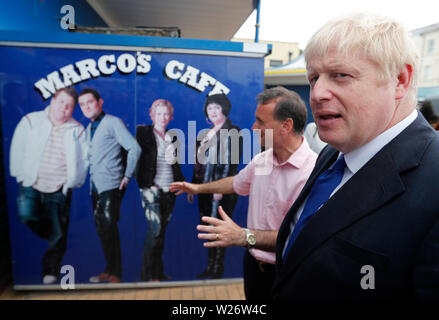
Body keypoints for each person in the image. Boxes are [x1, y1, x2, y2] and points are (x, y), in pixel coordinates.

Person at [272, 13, 439, 299]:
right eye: (314, 78)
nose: (317, 93)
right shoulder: (332, 154)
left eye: (340, 75)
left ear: (399, 79)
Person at [170, 87, 317, 299]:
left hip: (288, 273)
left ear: (286, 126)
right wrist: (198, 188)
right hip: (253, 268)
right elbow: (237, 183)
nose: (253, 127)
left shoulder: (311, 173)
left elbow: (296, 238)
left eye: (261, 122)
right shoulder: (262, 160)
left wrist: (243, 235)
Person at [9, 87, 88, 284]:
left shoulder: (77, 129)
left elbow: (84, 159)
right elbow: (18, 148)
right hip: (31, 183)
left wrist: (73, 182)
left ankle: (50, 270)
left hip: (59, 187)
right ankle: (49, 234)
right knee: (27, 216)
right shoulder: (30, 121)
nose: (64, 108)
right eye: (61, 102)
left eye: (69, 106)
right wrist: (19, 174)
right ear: (52, 101)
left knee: (59, 233)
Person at [78, 88, 141, 284]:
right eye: (82, 104)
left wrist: (127, 175)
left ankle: (116, 272)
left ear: (100, 102)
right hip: (95, 186)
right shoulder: (89, 128)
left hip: (111, 185)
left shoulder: (112, 123)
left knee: (109, 227)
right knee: (102, 229)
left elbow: (134, 148)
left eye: (90, 102)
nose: (86, 107)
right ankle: (109, 268)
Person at [188, 94, 242, 279]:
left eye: (216, 108)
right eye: (210, 108)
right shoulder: (207, 132)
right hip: (204, 189)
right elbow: (199, 163)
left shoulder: (232, 131)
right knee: (208, 229)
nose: (212, 112)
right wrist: (193, 186)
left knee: (218, 231)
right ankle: (210, 267)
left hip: (219, 192)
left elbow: (229, 164)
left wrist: (220, 189)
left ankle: (216, 269)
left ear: (224, 109)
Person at [135, 99, 184, 282]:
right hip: (151, 191)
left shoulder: (173, 136)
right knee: (154, 230)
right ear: (151, 115)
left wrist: (183, 186)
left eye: (166, 114)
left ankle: (158, 273)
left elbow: (175, 165)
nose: (162, 117)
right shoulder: (143, 133)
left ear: (170, 117)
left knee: (161, 233)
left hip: (169, 189)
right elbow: (133, 158)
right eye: (158, 113)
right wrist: (145, 182)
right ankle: (148, 276)